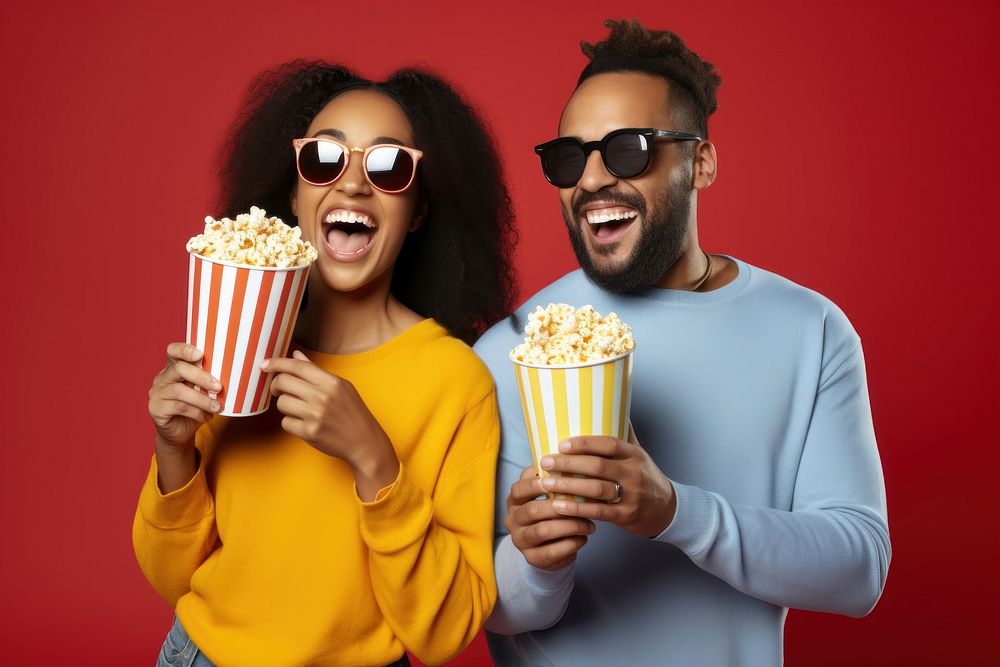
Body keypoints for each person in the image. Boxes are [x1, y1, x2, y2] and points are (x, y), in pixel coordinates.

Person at [475, 19, 890, 666]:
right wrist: (535, 558)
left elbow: (858, 570)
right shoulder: (516, 347)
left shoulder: (810, 330)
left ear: (700, 162)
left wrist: (675, 513)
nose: (590, 182)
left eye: (628, 151)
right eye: (569, 158)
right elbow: (492, 607)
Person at [134, 60, 517, 666]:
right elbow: (170, 579)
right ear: (295, 191)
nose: (352, 185)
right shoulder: (239, 343)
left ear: (418, 209)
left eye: (388, 166)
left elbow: (446, 633)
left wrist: (376, 462)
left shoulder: (454, 383)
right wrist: (174, 450)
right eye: (323, 160)